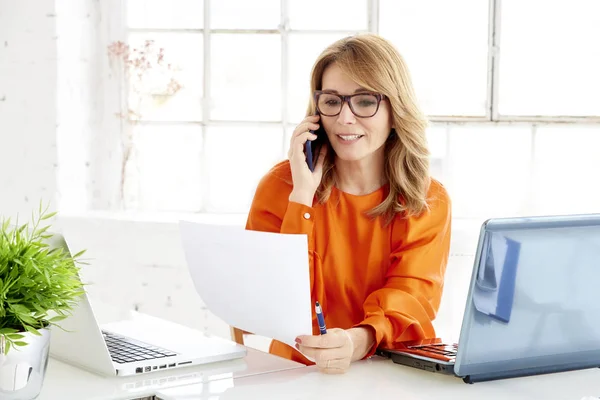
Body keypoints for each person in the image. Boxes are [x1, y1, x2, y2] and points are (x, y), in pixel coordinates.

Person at [245, 33, 452, 374]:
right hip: (292, 374)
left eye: (365, 101)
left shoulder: (427, 199)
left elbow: (412, 297)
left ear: (394, 109)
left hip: (388, 372)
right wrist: (301, 198)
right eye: (331, 101)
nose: (344, 118)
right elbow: (269, 299)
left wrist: (358, 341)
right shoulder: (281, 186)